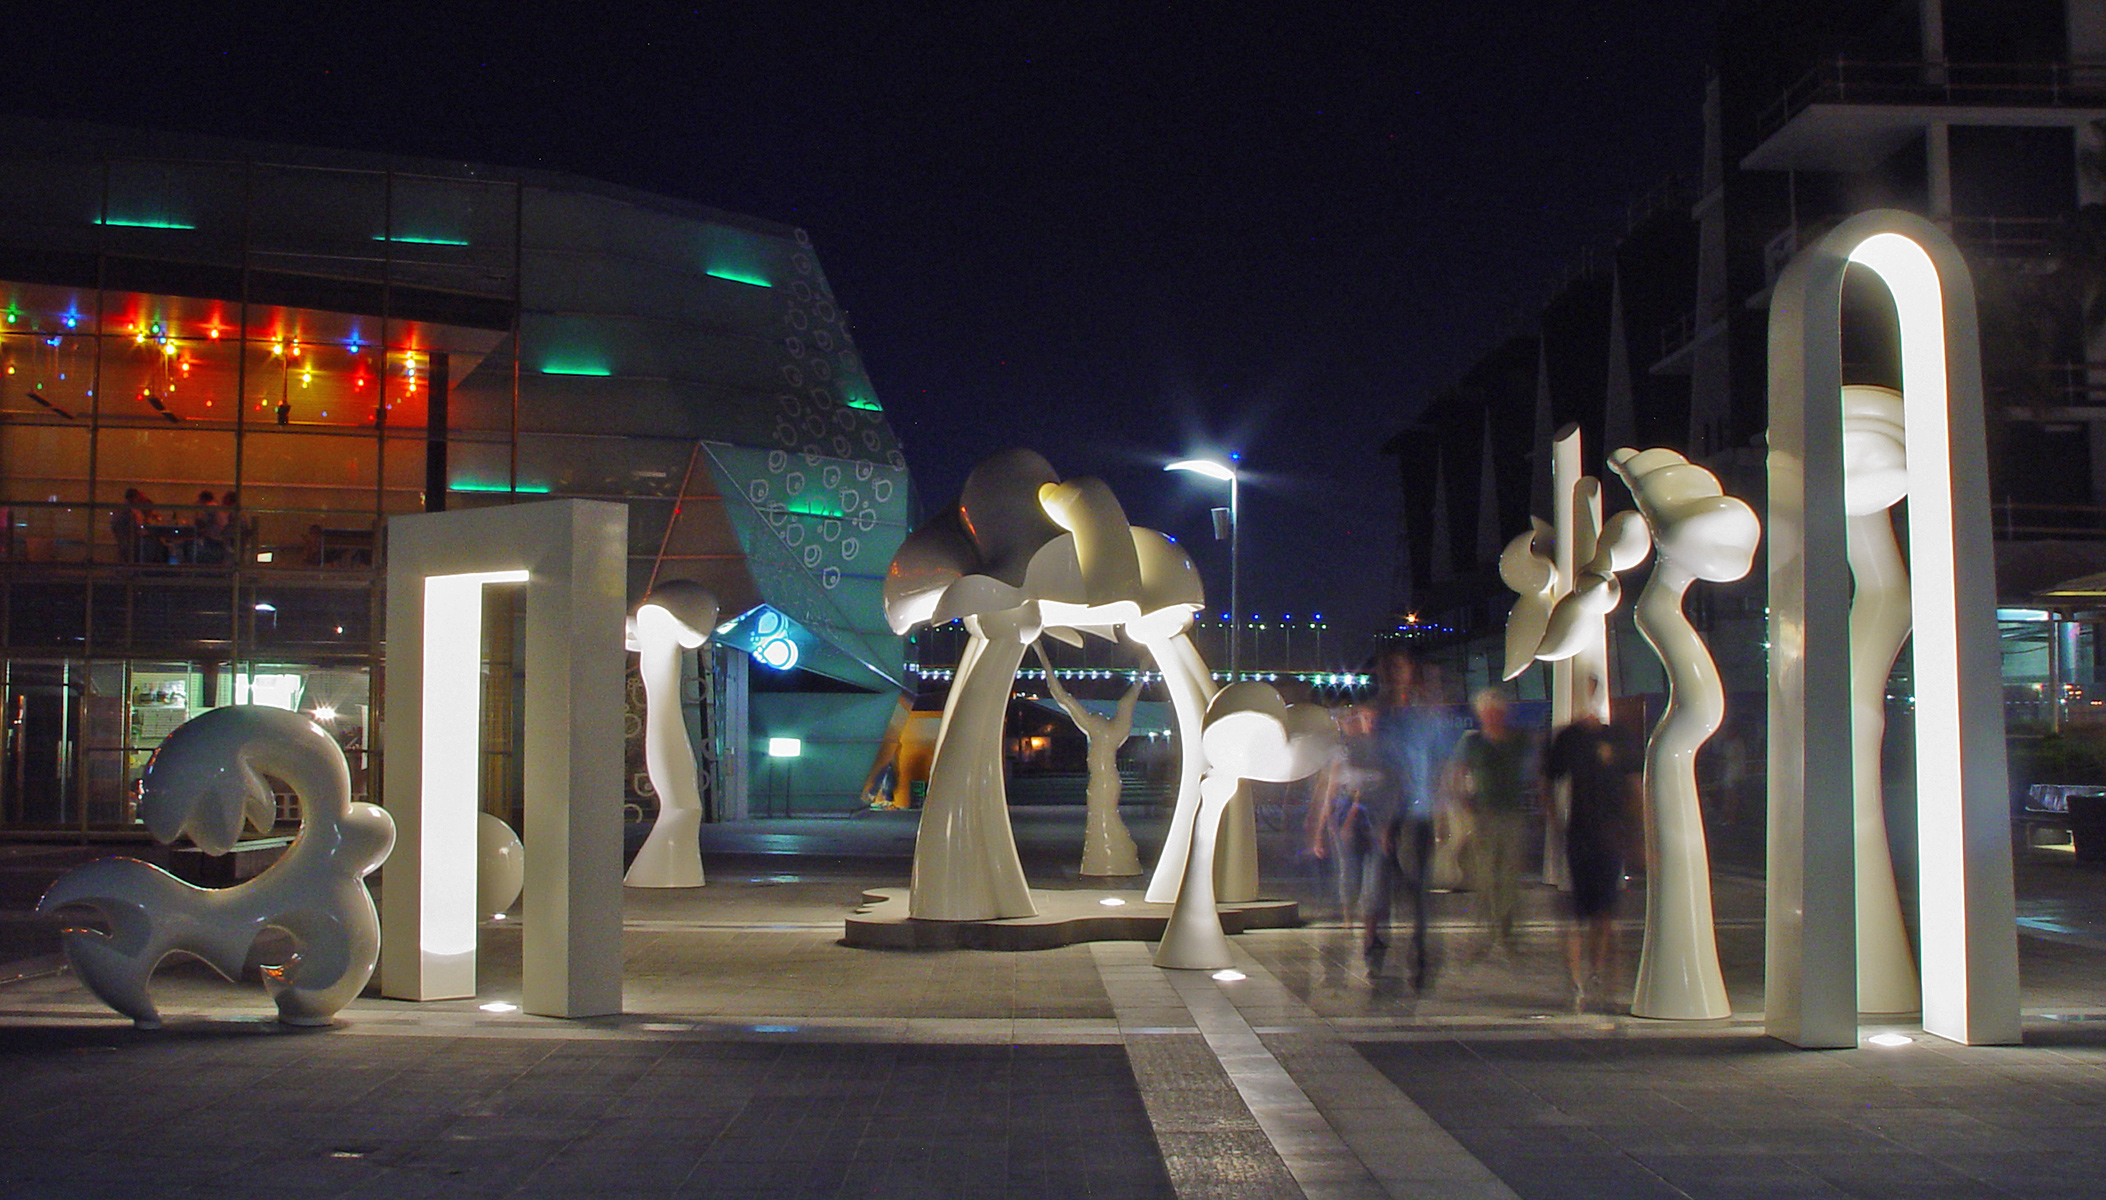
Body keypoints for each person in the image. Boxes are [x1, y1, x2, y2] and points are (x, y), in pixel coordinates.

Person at [1544, 676, 1640, 1013]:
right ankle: (1577, 979)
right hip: (1581, 833)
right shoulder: (1568, 738)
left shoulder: (1616, 737)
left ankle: (1596, 972)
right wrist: (1557, 823)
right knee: (1577, 910)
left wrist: (1635, 831)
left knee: (1604, 911)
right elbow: (1548, 780)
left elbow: (1633, 785)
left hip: (1609, 833)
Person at [1371, 649, 1461, 991]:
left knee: (1417, 888)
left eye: (1399, 667)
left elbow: (1440, 764)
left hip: (1416, 813)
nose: (1394, 674)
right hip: (1394, 814)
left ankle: (1419, 953)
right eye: (1390, 668)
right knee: (1391, 884)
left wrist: (1440, 806)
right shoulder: (1386, 717)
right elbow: (1385, 769)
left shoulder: (1422, 716)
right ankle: (1390, 945)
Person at [1449, 686, 1533, 959]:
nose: (1491, 717)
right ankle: (1485, 931)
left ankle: (1506, 933)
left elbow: (1534, 772)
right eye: (1486, 712)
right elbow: (1456, 775)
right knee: (1485, 876)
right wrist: (1464, 805)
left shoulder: (1517, 740)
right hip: (1482, 815)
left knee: (1508, 876)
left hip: (1510, 814)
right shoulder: (1472, 743)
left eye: (1496, 712)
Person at [1307, 702, 1380, 925]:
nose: (1369, 724)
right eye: (1364, 718)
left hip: (1373, 808)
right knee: (1350, 867)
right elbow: (1330, 789)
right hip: (1349, 809)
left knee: (1372, 867)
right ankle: (1350, 915)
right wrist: (1319, 828)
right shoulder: (1344, 751)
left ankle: (1366, 916)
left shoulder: (1380, 748)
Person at [191, 489, 227, 564]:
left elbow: (202, 522)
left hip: (213, 537)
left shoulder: (209, 508)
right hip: (219, 536)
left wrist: (197, 513)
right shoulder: (215, 506)